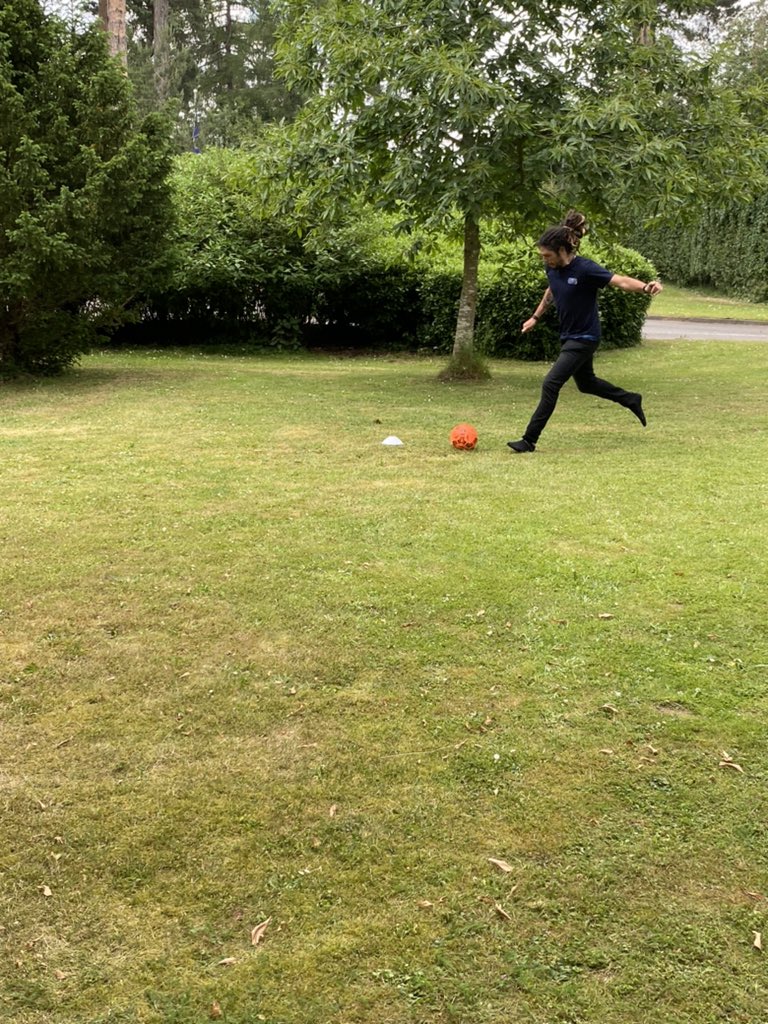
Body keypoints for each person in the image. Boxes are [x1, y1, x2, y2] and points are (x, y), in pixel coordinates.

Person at [507, 211, 662, 453]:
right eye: (543, 256)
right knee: (586, 384)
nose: (545, 260)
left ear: (561, 250)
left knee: (551, 383)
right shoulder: (553, 269)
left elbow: (620, 281)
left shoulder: (585, 269)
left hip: (585, 337)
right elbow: (551, 292)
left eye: (548, 255)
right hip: (569, 336)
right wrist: (535, 317)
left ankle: (529, 440)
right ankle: (631, 398)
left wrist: (645, 287)